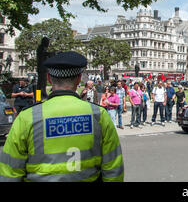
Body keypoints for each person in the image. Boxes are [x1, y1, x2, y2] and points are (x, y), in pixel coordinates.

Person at [0, 51, 123, 182]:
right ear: (79, 78)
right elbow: (113, 167)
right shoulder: (99, 114)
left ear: (49, 78)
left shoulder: (27, 117)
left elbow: (10, 171)